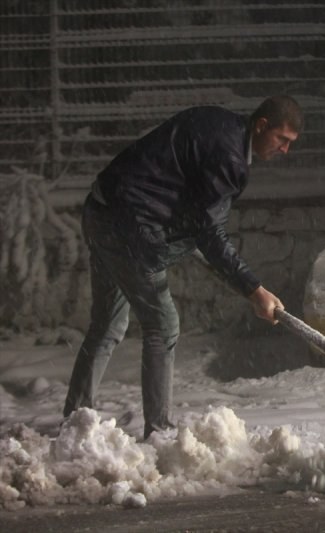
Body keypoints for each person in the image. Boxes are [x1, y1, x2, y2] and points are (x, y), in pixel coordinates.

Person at [63, 95, 303, 439]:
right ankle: (159, 431)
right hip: (130, 228)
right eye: (282, 140)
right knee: (163, 325)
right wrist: (255, 290)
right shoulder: (231, 159)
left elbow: (185, 203)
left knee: (108, 323)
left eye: (290, 144)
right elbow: (209, 233)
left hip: (102, 208)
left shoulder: (221, 124)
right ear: (262, 125)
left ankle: (74, 422)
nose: (284, 151)